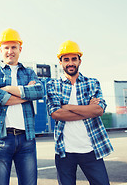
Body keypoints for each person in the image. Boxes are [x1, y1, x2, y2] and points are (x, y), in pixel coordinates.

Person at [46, 40, 113, 185]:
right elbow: (56, 114)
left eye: (74, 59)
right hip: (65, 151)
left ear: (80, 61)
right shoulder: (53, 85)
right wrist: (87, 110)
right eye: (66, 59)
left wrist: (67, 106)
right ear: (61, 62)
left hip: (91, 148)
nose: (70, 63)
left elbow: (98, 110)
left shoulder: (92, 83)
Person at [0, 28, 45, 185]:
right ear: (1, 49)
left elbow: (39, 91)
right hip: (1, 139)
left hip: (27, 139)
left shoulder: (29, 72)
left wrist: (8, 89)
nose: (10, 51)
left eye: (14, 47)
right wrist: (26, 95)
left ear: (20, 49)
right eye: (6, 47)